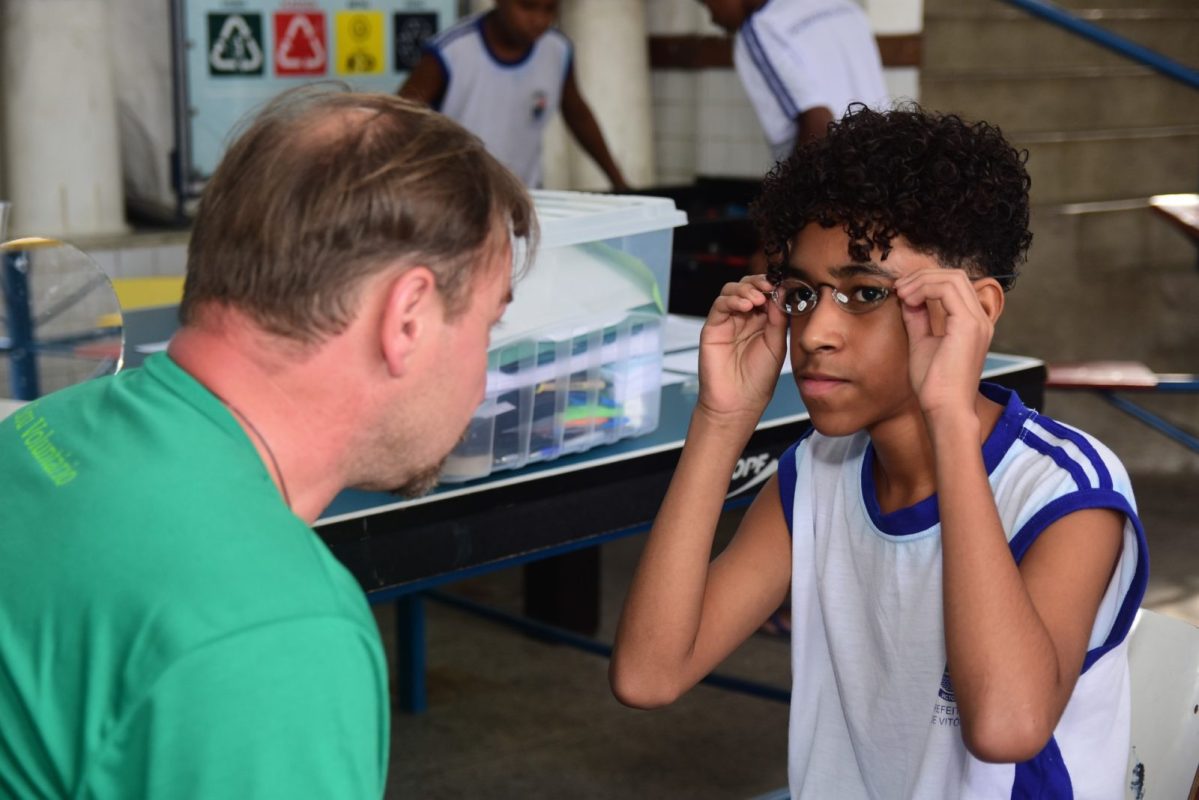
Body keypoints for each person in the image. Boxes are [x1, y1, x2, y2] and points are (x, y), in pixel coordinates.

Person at [0, 89, 534, 798]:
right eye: (487, 326)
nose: (482, 374)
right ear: (407, 318)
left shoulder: (44, 429)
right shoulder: (278, 632)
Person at [610, 105, 1148, 796]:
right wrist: (720, 419)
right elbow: (647, 675)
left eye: (864, 292)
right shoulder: (818, 471)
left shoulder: (1065, 490)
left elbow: (1007, 728)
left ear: (975, 312)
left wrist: (950, 416)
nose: (815, 333)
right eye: (802, 294)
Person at [399, 0, 629, 190]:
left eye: (550, 9)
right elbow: (398, 119)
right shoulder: (451, 51)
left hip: (525, 194)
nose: (538, 20)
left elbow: (578, 115)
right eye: (527, 7)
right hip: (457, 197)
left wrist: (618, 180)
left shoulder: (557, 50)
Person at [700, 0, 890, 159]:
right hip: (883, 164)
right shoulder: (845, 6)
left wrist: (796, 199)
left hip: (838, 179)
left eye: (707, 4)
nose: (713, 18)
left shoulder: (762, 27)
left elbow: (819, 123)